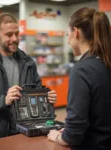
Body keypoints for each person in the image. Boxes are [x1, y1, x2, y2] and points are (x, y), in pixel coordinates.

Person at [0, 13, 57, 142]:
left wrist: (47, 98)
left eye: (17, 34)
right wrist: (4, 100)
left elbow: (36, 93)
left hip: (25, 134)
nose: (14, 39)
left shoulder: (28, 62)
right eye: (9, 34)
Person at [47, 7, 111, 150]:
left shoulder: (82, 70)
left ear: (75, 33)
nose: (68, 39)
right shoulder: (105, 63)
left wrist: (57, 136)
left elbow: (74, 133)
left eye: (67, 33)